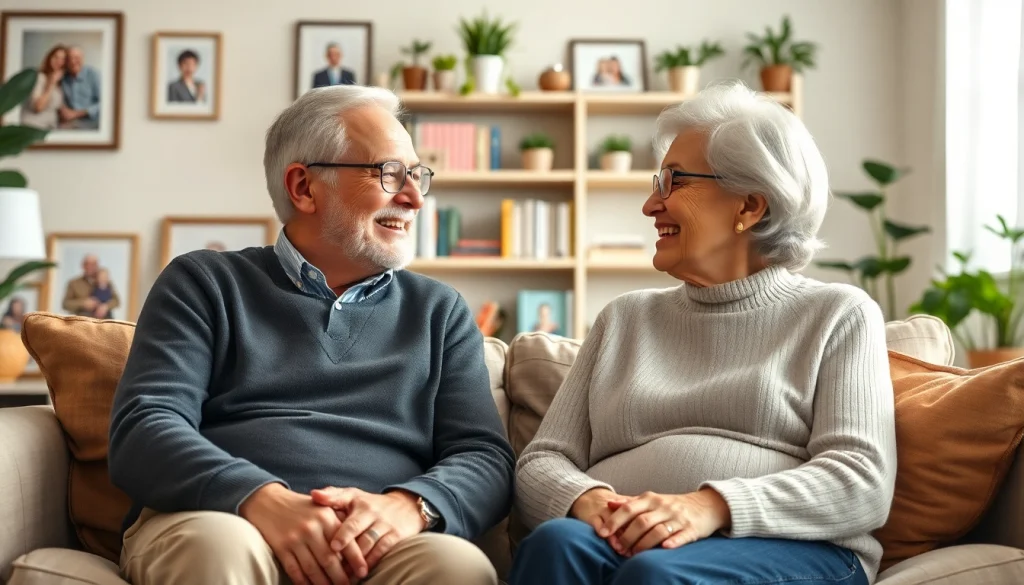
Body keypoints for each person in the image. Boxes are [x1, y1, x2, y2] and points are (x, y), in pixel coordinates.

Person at [108, 84, 514, 585]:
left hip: (380, 543)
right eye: (389, 173)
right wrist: (262, 500)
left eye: (417, 175)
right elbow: (144, 427)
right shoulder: (204, 283)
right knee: (217, 548)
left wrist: (411, 506)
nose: (413, 198)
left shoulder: (439, 311)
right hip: (226, 520)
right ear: (303, 187)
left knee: (456, 567)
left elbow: (484, 457)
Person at [509, 82, 896, 585]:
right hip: (627, 538)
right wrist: (591, 501)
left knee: (655, 575)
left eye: (673, 182)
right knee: (555, 544)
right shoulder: (623, 319)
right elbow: (543, 460)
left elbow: (862, 481)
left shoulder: (837, 315)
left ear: (749, 206)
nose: (651, 205)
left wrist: (709, 506)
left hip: (794, 550)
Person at [21, 44, 67, 129]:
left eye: (62, 59)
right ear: (49, 58)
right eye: (56, 57)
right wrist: (51, 84)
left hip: (49, 128)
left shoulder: (60, 83)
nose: (58, 61)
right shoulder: (39, 78)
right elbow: (38, 107)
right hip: (34, 127)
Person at [62, 254, 120, 319]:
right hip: (82, 321)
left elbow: (116, 301)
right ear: (83, 265)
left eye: (93, 264)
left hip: (104, 321)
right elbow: (65, 304)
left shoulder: (106, 282)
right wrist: (83, 303)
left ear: (97, 266)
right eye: (87, 264)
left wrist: (106, 306)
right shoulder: (73, 283)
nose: (90, 267)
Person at [58, 46, 101, 130]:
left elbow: (105, 103)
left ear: (83, 59)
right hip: (71, 122)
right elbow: (59, 98)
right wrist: (63, 110)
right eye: (69, 58)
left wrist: (76, 114)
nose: (73, 61)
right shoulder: (63, 76)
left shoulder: (94, 74)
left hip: (93, 122)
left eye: (77, 58)